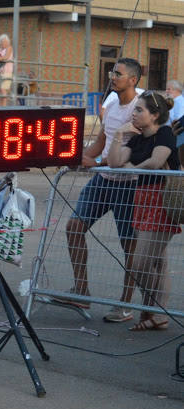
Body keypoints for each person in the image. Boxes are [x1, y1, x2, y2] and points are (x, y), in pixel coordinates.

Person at [59, 58, 142, 322]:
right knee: (74, 227)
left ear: (133, 80)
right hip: (103, 180)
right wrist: (79, 157)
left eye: (118, 73)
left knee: (130, 245)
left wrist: (95, 161)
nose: (112, 76)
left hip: (128, 184)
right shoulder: (112, 105)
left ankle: (124, 304)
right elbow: (102, 140)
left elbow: (135, 150)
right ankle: (81, 290)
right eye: (111, 72)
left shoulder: (140, 108)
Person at [107, 91, 180, 331]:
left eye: (139, 110)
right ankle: (157, 314)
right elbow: (115, 162)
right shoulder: (137, 137)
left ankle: (154, 310)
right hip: (142, 199)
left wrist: (133, 168)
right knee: (157, 261)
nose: (134, 114)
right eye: (135, 110)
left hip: (162, 200)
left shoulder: (165, 133)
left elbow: (157, 161)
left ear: (155, 115)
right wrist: (119, 135)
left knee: (140, 262)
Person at [0, 34, 14, 106]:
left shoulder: (9, 48)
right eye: (1, 42)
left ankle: (4, 108)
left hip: (7, 71)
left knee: (3, 90)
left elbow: (6, 57)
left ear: (8, 42)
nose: (2, 43)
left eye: (4, 42)